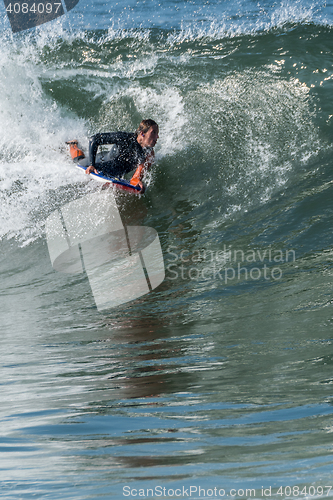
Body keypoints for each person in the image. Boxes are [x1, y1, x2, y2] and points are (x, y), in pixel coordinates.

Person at [85, 119, 159, 193]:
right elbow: (94, 139)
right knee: (78, 159)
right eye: (153, 133)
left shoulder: (149, 154)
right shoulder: (124, 138)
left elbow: (135, 177)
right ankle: (73, 144)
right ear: (142, 133)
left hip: (113, 175)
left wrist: (137, 182)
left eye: (157, 133)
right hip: (98, 163)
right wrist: (92, 165)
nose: (157, 136)